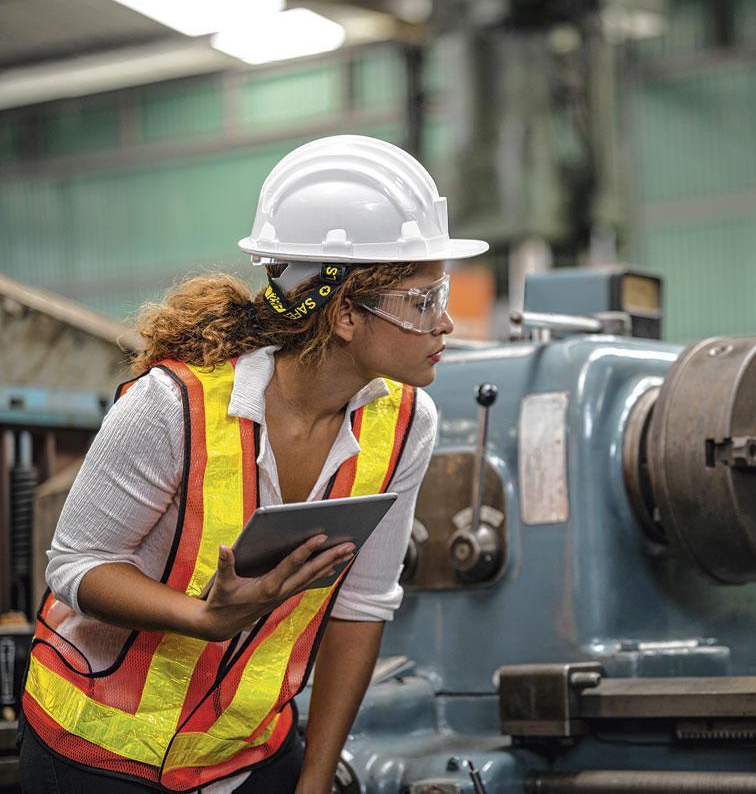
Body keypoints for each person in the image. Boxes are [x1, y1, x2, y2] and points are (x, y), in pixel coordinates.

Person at [20, 135, 488, 792]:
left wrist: (314, 782)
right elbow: (74, 565)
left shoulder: (407, 422)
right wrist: (202, 618)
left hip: (246, 757)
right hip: (93, 750)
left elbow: (362, 608)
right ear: (347, 313)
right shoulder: (173, 406)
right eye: (423, 300)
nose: (445, 325)